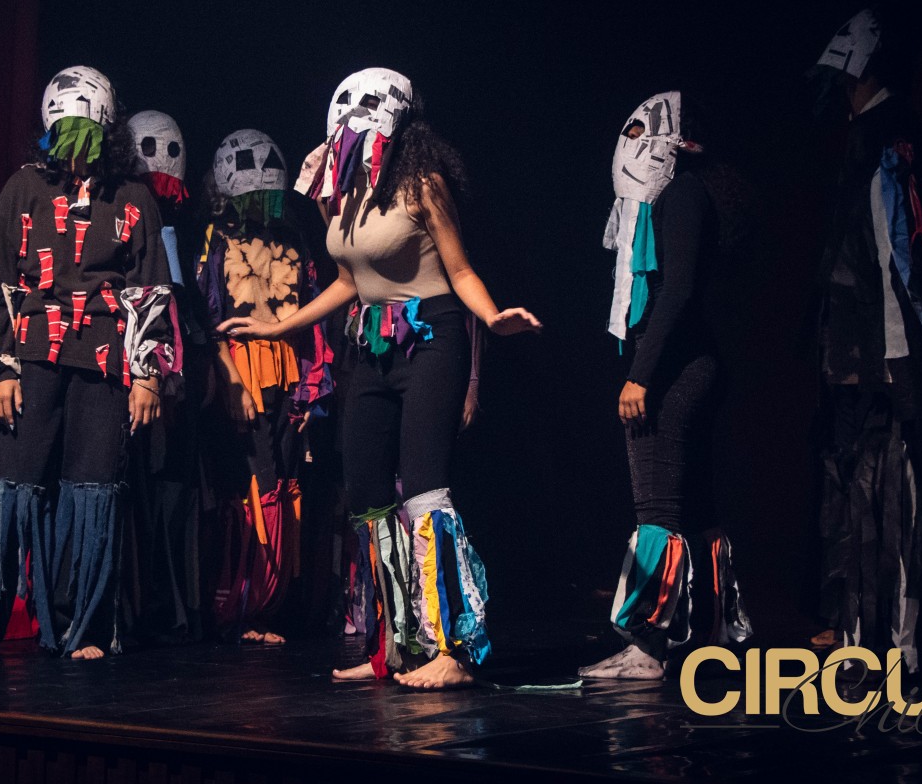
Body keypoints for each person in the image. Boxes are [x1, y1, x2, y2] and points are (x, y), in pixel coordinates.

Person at [219, 67, 541, 690]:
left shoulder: (422, 184)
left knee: (424, 490)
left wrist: (492, 317)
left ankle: (450, 647)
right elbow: (349, 281)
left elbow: (460, 270)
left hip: (431, 336)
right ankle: (395, 645)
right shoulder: (343, 193)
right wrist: (279, 327)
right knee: (368, 496)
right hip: (369, 345)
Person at [0, 66, 178, 659]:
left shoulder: (133, 197)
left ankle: (84, 626)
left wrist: (147, 373)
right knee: (7, 482)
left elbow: (151, 286)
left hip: (102, 366)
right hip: (30, 356)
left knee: (91, 490)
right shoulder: (23, 187)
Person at [808, 9, 922, 671]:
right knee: (900, 490)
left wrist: (866, 353)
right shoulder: (920, 136)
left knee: (896, 492)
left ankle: (901, 641)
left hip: (893, 354)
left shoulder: (888, 138)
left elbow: (893, 256)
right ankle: (906, 637)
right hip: (902, 353)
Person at [582, 92, 752, 680]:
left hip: (677, 372)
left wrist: (640, 375)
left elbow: (676, 291)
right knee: (695, 506)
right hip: (690, 367)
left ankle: (646, 645)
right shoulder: (686, 196)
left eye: (640, 132)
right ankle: (713, 631)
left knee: (656, 503)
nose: (630, 143)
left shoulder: (681, 195)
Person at [196, 129, 334, 644]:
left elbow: (314, 313)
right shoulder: (216, 238)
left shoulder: (293, 236)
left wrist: (313, 387)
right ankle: (241, 607)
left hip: (289, 369)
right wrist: (231, 380)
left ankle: (269, 607)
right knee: (255, 482)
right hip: (243, 369)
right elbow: (208, 315)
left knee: (283, 481)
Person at [122, 109, 204, 644]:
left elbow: (182, 302)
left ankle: (170, 609)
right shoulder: (134, 215)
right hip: (138, 367)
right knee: (138, 485)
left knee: (171, 487)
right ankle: (143, 608)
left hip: (172, 369)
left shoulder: (177, 226)